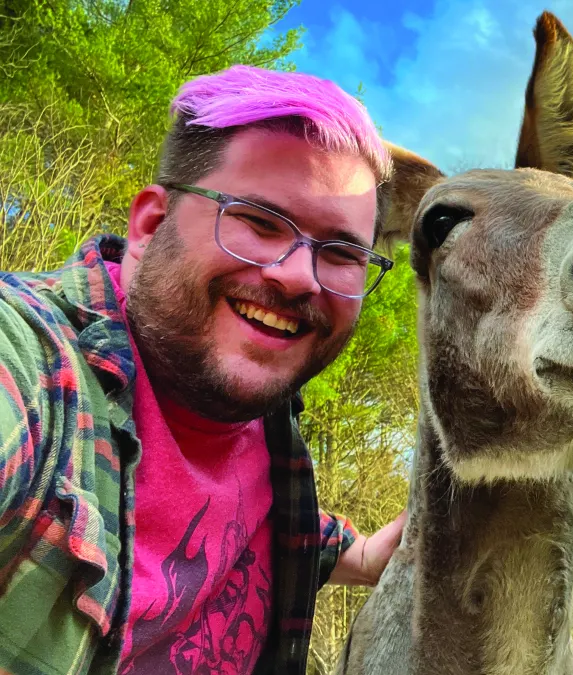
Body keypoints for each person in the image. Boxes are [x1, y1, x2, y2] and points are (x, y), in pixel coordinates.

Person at [0, 64, 408, 675]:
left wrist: (360, 555)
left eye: (341, 252)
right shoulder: (33, 367)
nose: (300, 277)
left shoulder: (264, 422)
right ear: (150, 225)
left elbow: (252, 504)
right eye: (260, 222)